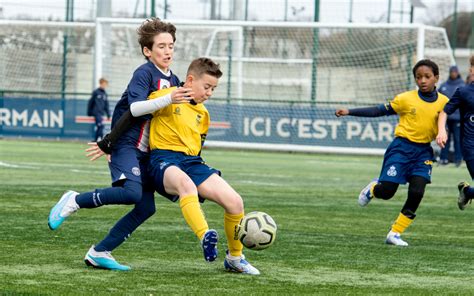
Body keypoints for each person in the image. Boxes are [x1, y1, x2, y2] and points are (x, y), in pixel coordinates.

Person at [48, 18, 193, 271]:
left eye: (171, 45)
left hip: (149, 151)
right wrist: (109, 143)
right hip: (126, 143)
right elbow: (136, 109)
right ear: (148, 51)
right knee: (132, 193)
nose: (167, 51)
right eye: (161, 46)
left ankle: (99, 252)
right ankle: (74, 200)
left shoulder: (175, 80)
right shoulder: (144, 72)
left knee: (146, 207)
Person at [142, 58, 259, 275]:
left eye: (213, 89)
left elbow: (198, 147)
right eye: (207, 87)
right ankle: (205, 235)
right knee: (187, 186)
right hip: (163, 159)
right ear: (189, 80)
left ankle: (235, 258)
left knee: (235, 202)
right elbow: (137, 112)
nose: (210, 93)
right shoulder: (167, 96)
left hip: (192, 162)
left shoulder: (203, 113)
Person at [335, 59, 449, 247]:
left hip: (423, 153)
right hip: (401, 149)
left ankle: (395, 233)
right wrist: (349, 111)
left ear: (436, 78)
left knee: (417, 192)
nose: (423, 80)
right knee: (387, 192)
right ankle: (373, 188)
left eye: (427, 77)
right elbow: (379, 110)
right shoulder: (405, 99)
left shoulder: (445, 102)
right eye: (418, 77)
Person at [437, 55, 474, 210]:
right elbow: (445, 111)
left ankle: (467, 191)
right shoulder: (464, 91)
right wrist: (441, 131)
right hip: (471, 145)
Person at [438, 66, 465, 166]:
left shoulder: (462, 85)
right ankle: (443, 159)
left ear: (457, 73)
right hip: (445, 118)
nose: (453, 73)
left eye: (455, 72)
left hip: (458, 118)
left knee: (458, 139)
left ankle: (458, 160)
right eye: (452, 72)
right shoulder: (444, 85)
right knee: (444, 139)